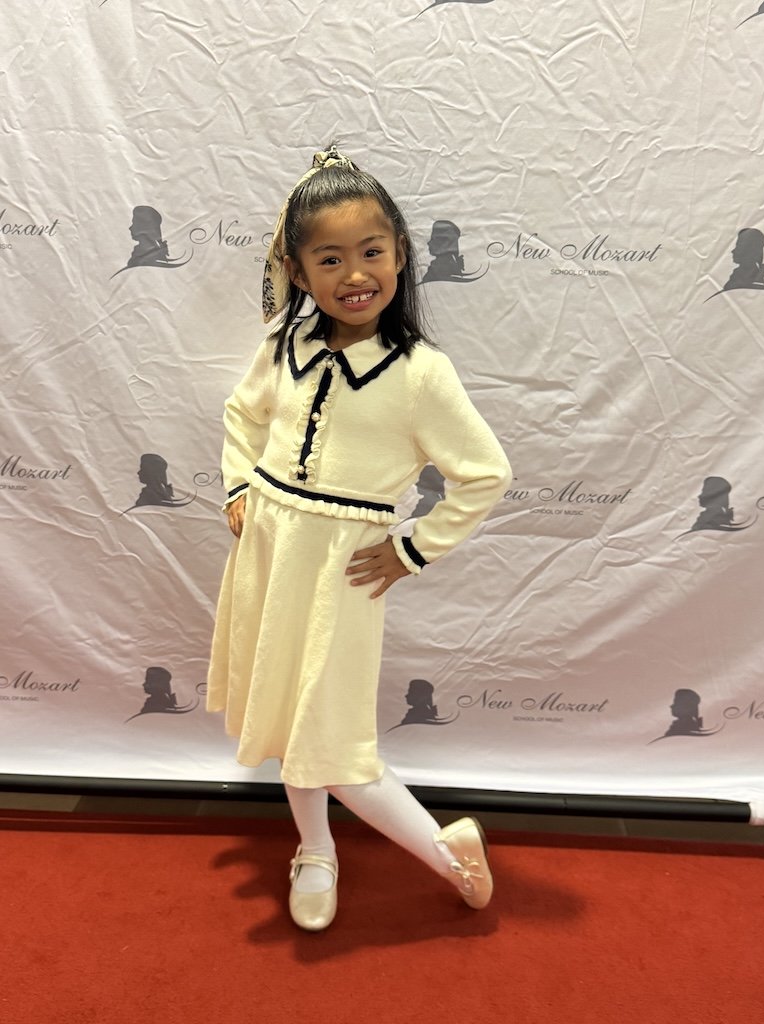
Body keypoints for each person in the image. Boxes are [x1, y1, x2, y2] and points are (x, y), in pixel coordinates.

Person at [207, 145, 512, 931]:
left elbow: (485, 474)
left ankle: (446, 853)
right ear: (298, 271)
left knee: (330, 735)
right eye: (330, 258)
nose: (354, 274)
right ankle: (315, 848)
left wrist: (412, 550)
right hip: (268, 554)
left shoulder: (420, 373)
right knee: (289, 717)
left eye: (371, 252)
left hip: (341, 573)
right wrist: (239, 486)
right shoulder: (284, 347)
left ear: (400, 255)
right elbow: (242, 414)